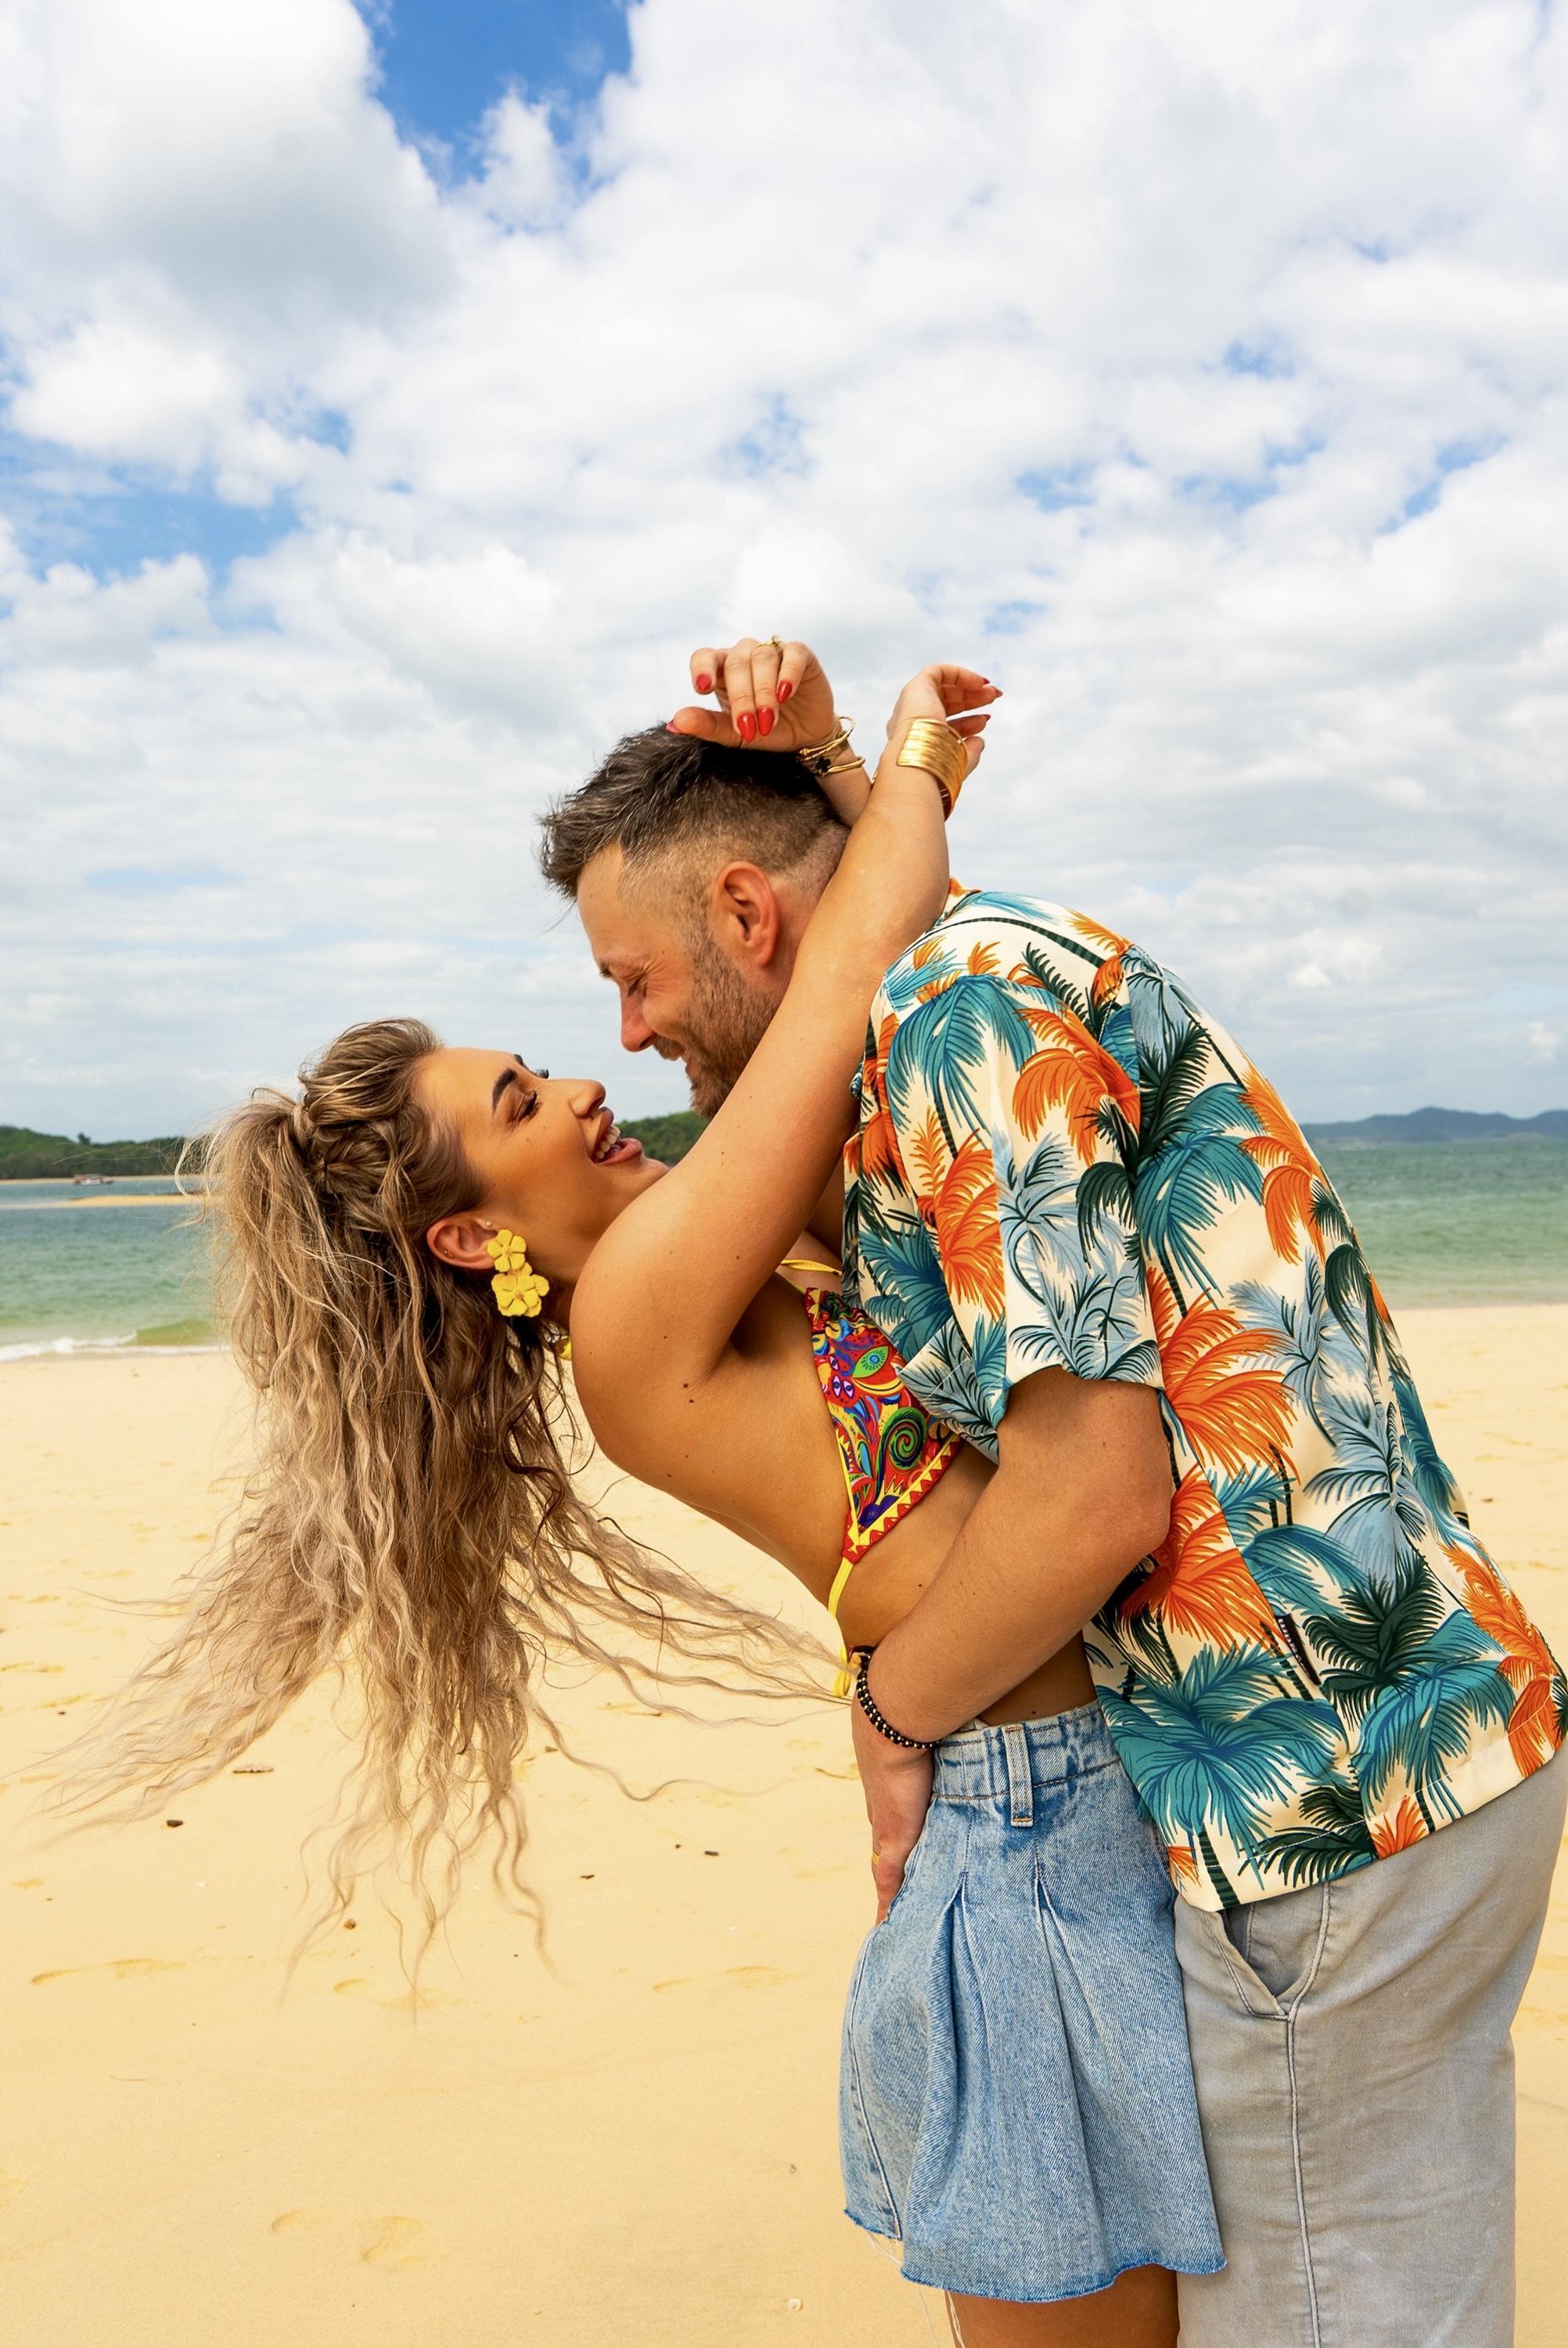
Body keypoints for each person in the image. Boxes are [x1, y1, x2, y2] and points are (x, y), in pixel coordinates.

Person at [63, 658, 1221, 2348]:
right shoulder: (632, 1321)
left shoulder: (764, 1235)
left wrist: (828, 774)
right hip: (1022, 1835)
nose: (590, 1082)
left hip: (1118, 1777)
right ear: (475, 1236)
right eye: (522, 1106)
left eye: (546, 1060)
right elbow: (841, 980)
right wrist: (899, 750)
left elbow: (898, 971)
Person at [541, 636, 1568, 2348]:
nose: (629, 1033)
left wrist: (893, 1706)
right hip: (1406, 1736)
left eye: (631, 978)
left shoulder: (956, 1019)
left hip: (1311, 1792)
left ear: (743, 914)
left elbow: (1094, 1496)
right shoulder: (974, 980)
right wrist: (865, 772)